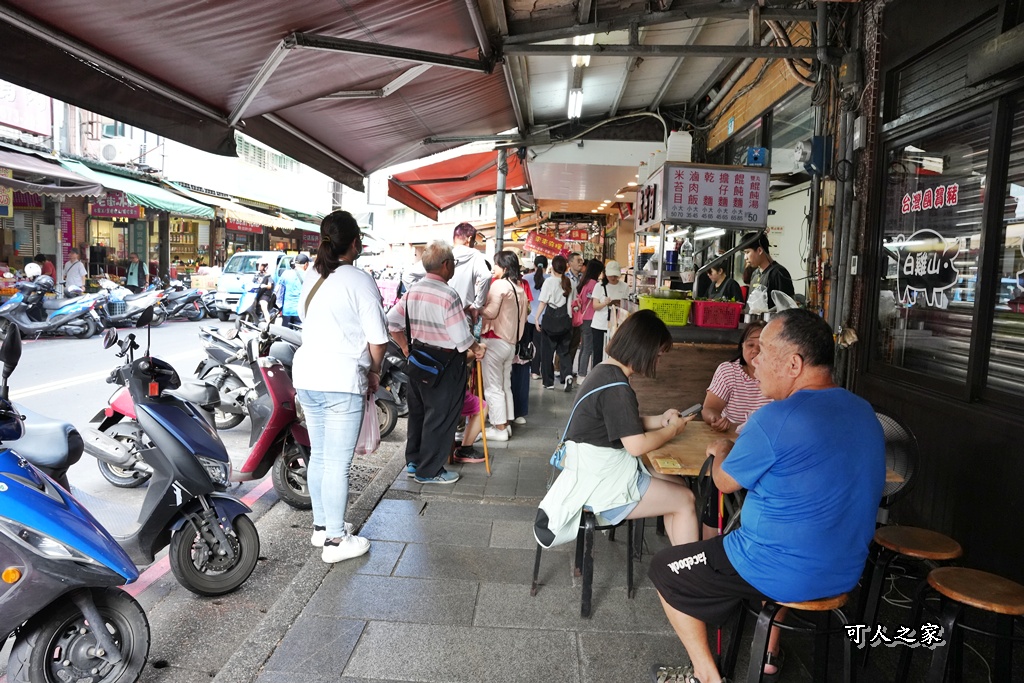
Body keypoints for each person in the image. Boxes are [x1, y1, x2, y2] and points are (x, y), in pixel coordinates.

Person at [648, 309, 885, 683]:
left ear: (794, 364)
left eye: (764, 351)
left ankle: (707, 676)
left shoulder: (776, 418)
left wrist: (722, 451)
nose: (754, 360)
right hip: (845, 571)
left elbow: (725, 483)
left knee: (665, 569)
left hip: (777, 568)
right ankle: (769, 651)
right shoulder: (864, 411)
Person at [534, 309, 699, 550]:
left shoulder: (604, 371)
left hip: (593, 473)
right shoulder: (617, 388)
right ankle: (686, 578)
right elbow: (636, 446)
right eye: (658, 355)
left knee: (680, 488)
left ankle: (677, 569)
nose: (658, 362)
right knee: (686, 499)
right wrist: (673, 430)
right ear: (644, 350)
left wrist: (660, 420)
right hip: (603, 486)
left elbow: (621, 423)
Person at [293, 210, 388, 564]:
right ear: (355, 243)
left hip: (306, 375)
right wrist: (375, 371)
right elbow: (378, 338)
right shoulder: (358, 279)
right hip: (340, 377)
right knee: (337, 462)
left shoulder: (313, 274)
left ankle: (322, 528)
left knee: (320, 454)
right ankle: (335, 540)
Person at [387, 241, 486, 485]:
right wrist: (477, 348)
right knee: (440, 416)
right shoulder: (448, 294)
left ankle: (414, 462)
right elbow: (461, 338)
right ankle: (428, 471)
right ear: (446, 265)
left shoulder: (412, 291)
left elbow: (391, 321)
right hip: (446, 362)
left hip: (418, 358)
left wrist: (405, 347)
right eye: (452, 262)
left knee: (419, 412)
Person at [479, 251, 529, 442]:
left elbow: (490, 313)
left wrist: (475, 308)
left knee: (493, 386)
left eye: (496, 265)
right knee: (505, 385)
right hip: (511, 343)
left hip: (495, 340)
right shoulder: (519, 288)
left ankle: (498, 428)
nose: (494, 269)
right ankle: (506, 423)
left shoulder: (499, 284)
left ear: (505, 268)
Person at [403, 222, 491, 323]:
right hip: (462, 316)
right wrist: (477, 305)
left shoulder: (440, 254)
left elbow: (407, 276)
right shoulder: (474, 255)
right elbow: (486, 276)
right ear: (470, 239)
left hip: (437, 316)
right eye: (474, 242)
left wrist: (425, 298)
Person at [701, 322, 770, 435]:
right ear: (742, 346)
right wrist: (715, 419)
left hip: (765, 437)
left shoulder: (778, 376)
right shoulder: (728, 371)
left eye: (762, 346)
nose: (756, 351)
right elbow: (709, 408)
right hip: (730, 436)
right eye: (750, 345)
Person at [535, 255, 574, 391]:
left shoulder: (549, 282)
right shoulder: (569, 282)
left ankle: (549, 382)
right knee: (564, 352)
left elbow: (543, 302)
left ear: (552, 268)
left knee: (547, 352)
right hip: (565, 320)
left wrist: (536, 318)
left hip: (550, 320)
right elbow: (570, 304)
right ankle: (568, 375)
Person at [590, 260, 629, 365]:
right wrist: (604, 303)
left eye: (615, 276)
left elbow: (626, 306)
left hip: (616, 325)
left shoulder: (624, 286)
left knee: (615, 353)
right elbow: (595, 306)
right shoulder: (599, 286)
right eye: (610, 275)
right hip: (599, 324)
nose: (613, 278)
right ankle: (596, 375)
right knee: (597, 352)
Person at [743, 233, 794, 310]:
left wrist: (765, 313)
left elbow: (786, 306)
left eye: (747, 252)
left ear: (759, 250)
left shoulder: (779, 273)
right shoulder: (755, 274)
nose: (745, 257)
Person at [574, 259, 604, 379]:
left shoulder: (584, 281)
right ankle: (582, 374)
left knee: (584, 347)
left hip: (583, 317)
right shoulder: (594, 284)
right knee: (588, 348)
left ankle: (581, 372)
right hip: (590, 318)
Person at [526, 255, 549, 380]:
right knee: (539, 345)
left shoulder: (526, 278)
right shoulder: (550, 279)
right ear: (547, 266)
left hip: (528, 316)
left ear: (534, 265)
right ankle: (535, 371)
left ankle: (526, 366)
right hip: (543, 317)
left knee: (527, 343)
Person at [566, 252, 585, 378]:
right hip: (568, 315)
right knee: (565, 343)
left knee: (574, 343)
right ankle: (561, 368)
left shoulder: (584, 278)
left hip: (579, 316)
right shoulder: (565, 278)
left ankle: (569, 369)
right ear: (570, 263)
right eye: (578, 260)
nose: (580, 263)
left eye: (581, 260)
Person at [277, 255, 308, 328]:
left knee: (286, 336)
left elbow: (279, 292)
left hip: (287, 311)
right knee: (299, 336)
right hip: (301, 312)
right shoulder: (308, 275)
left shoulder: (285, 274)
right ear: (306, 264)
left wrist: (280, 307)